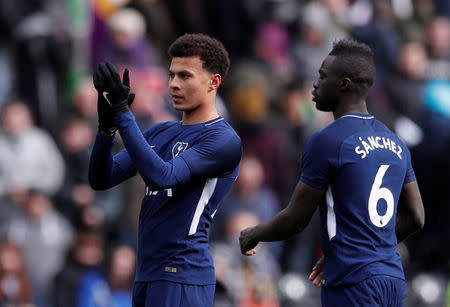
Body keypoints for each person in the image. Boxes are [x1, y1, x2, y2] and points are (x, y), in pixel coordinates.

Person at [239, 39, 425, 307]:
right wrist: (362, 248)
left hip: (352, 282)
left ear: (344, 83)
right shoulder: (395, 142)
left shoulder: (327, 141)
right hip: (392, 280)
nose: (315, 85)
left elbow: (296, 219)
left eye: (322, 76)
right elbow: (417, 217)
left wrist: (253, 234)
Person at [89, 33, 242, 307]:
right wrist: (107, 127)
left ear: (213, 82)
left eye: (185, 76)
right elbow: (101, 178)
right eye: (171, 75)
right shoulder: (161, 131)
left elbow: (163, 177)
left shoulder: (223, 139)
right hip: (148, 272)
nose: (173, 84)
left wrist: (124, 112)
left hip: (182, 274)